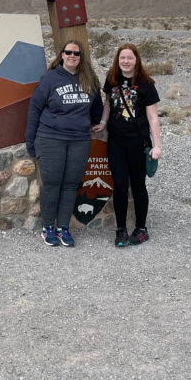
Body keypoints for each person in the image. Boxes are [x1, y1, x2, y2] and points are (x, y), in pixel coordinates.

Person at [26, 39, 102, 247]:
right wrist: (30, 142)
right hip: (51, 138)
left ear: (81, 58)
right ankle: (48, 228)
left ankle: (63, 228)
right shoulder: (50, 79)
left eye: (76, 54)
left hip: (78, 140)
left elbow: (96, 108)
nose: (72, 56)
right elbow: (34, 110)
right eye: (68, 52)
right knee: (51, 184)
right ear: (61, 55)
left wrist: (98, 123)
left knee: (70, 185)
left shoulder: (89, 79)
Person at [95, 43, 161, 247]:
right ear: (117, 60)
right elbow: (108, 102)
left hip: (138, 142)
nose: (125, 61)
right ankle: (121, 229)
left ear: (136, 60)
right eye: (122, 58)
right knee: (120, 184)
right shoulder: (112, 79)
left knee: (139, 185)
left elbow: (153, 117)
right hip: (116, 141)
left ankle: (141, 228)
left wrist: (157, 146)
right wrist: (103, 123)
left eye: (129, 58)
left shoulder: (146, 84)